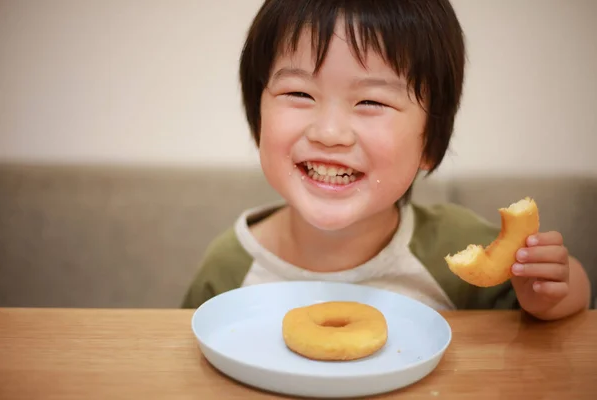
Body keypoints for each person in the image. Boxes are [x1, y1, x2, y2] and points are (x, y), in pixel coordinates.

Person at [181, 0, 592, 320]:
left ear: (429, 143)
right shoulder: (229, 268)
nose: (329, 132)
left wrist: (549, 293)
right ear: (258, 116)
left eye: (371, 101)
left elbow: (569, 304)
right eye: (299, 94)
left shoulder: (456, 247)